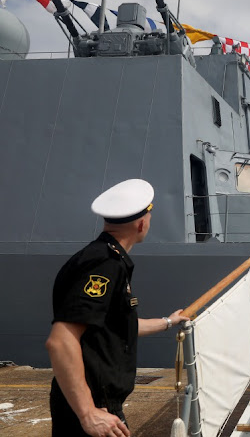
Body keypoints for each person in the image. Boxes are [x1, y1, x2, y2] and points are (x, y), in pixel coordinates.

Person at [45, 179, 189, 437]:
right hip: (92, 409)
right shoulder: (104, 264)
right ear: (142, 223)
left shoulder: (104, 258)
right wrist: (88, 413)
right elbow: (61, 340)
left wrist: (168, 321)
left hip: (99, 405)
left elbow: (119, 326)